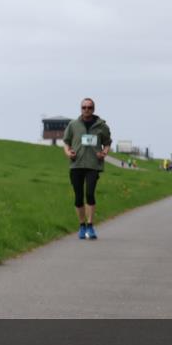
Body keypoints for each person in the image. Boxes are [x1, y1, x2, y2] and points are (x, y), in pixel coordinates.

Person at [62, 98, 112, 240]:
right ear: (81, 109)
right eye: (84, 107)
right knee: (78, 197)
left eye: (89, 107)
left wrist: (104, 153)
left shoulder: (101, 126)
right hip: (76, 164)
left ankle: (90, 225)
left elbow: (107, 143)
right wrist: (68, 153)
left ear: (93, 109)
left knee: (89, 193)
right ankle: (82, 225)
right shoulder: (73, 125)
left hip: (93, 165)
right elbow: (66, 142)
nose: (86, 110)